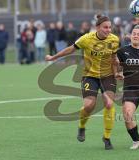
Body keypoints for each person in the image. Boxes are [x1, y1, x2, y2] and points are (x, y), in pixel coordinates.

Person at [45, 15, 119, 150]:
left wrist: (117, 72)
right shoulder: (86, 38)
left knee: (109, 103)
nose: (108, 30)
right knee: (89, 106)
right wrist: (53, 57)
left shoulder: (114, 40)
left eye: (110, 27)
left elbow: (114, 58)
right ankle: (82, 126)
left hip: (107, 76)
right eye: (105, 27)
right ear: (97, 27)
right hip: (89, 76)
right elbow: (70, 49)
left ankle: (107, 138)